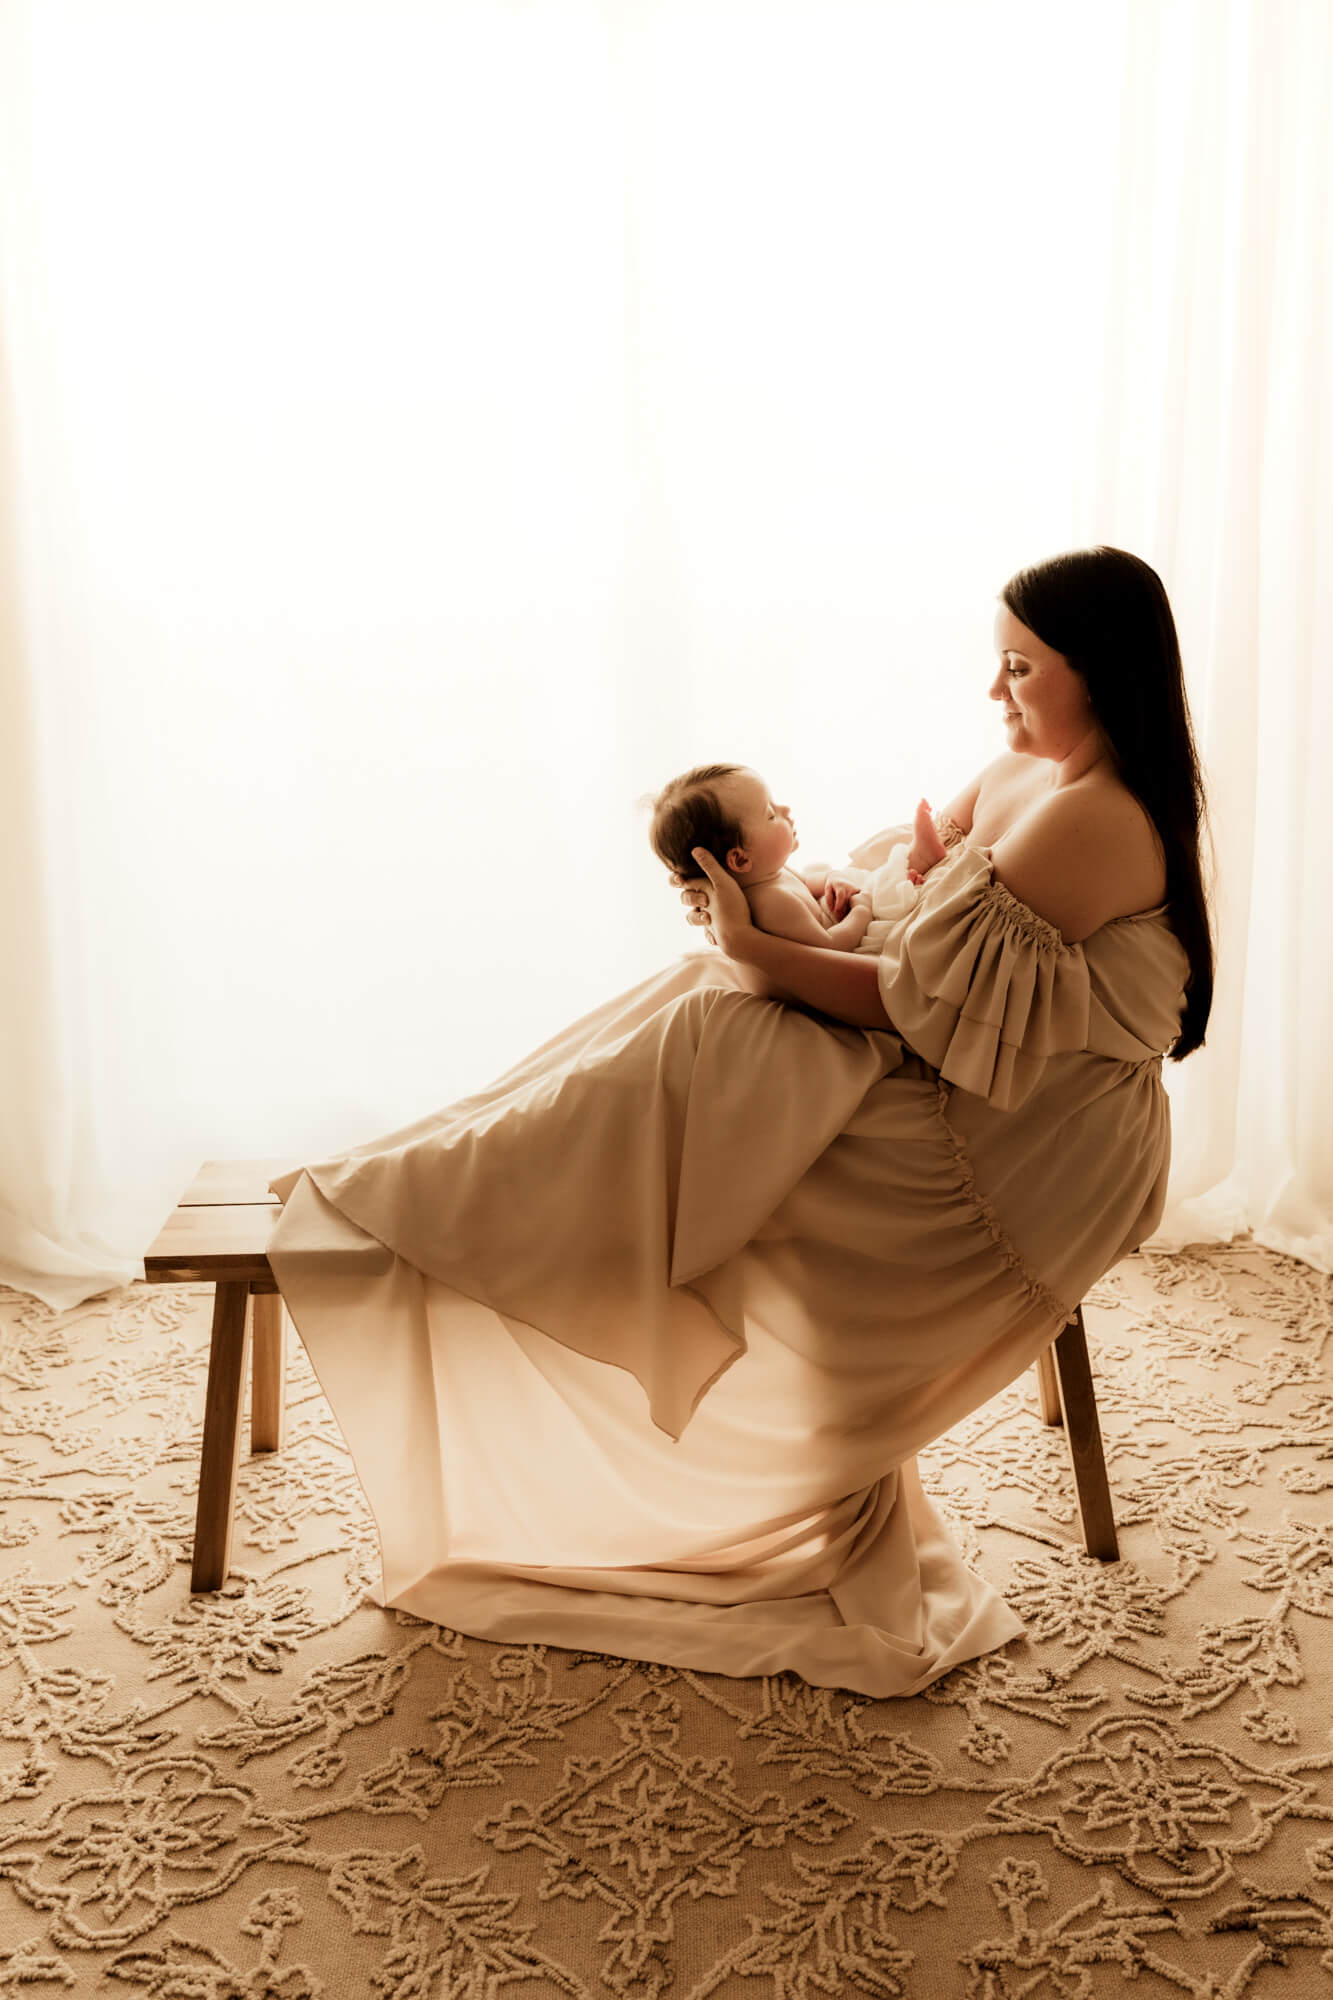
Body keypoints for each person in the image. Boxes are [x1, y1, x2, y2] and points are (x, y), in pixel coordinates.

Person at [267, 546, 1212, 1700]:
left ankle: (489, 1197)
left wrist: (760, 944)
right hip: (973, 1073)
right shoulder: (1028, 770)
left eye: (1017, 667)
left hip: (1027, 1146)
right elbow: (908, 903)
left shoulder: (1093, 816)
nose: (994, 692)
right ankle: (465, 1171)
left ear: (1100, 671)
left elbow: (913, 1005)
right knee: (700, 1007)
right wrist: (801, 916)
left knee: (719, 1028)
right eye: (995, 664)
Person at [648, 764, 950, 952]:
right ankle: (917, 860)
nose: (786, 811)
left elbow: (807, 881)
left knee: (843, 872)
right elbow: (832, 946)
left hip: (835, 914)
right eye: (770, 813)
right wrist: (861, 907)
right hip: (853, 941)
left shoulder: (770, 875)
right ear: (740, 861)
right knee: (880, 895)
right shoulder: (771, 904)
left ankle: (911, 865)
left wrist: (833, 880)